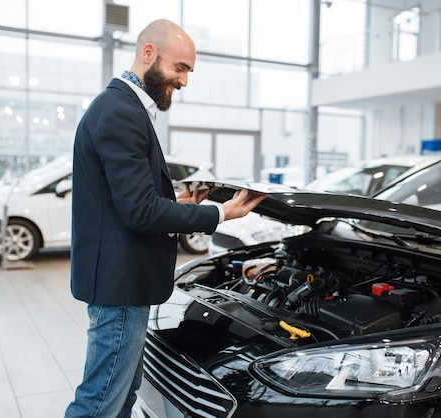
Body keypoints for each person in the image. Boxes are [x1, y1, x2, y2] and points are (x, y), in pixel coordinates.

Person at [64, 19, 265, 418]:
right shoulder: (121, 111)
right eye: (180, 68)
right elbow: (139, 211)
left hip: (123, 283)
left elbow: (123, 199)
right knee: (99, 402)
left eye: (189, 71)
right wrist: (221, 212)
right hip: (120, 286)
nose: (185, 81)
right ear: (149, 53)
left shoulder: (122, 107)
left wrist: (177, 201)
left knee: (123, 395)